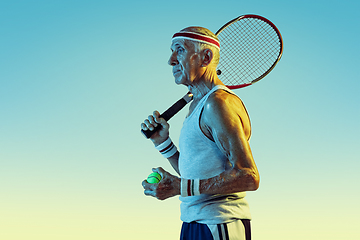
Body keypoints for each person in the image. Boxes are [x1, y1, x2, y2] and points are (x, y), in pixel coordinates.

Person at [141, 26, 260, 240]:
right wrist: (163, 143)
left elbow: (248, 177)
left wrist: (179, 187)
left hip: (220, 224)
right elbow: (195, 173)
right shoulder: (197, 105)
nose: (171, 60)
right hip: (193, 221)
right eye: (171, 51)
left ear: (206, 57)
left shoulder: (219, 103)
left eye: (180, 50)